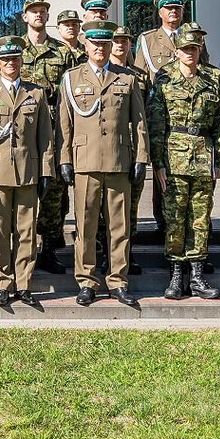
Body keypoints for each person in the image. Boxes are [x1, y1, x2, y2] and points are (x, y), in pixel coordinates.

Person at [57, 21, 147, 307]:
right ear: (85, 46)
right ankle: (86, 281)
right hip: (85, 162)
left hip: (119, 161)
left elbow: (139, 123)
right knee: (85, 226)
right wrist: (64, 159)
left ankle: (118, 281)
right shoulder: (71, 79)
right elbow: (64, 125)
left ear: (111, 46)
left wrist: (141, 157)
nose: (100, 48)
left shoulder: (127, 79)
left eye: (105, 44)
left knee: (118, 227)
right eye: (94, 44)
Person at [0, 36, 54, 306]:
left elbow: (46, 138)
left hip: (28, 171)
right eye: (5, 60)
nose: (11, 64)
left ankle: (24, 283)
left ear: (21, 61)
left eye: (15, 59)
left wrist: (46, 172)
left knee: (27, 232)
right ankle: (3, 282)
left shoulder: (36, 94)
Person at [147, 29, 220, 300]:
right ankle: (176, 276)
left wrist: (219, 159)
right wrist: (158, 164)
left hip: (203, 157)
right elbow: (156, 124)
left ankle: (197, 277)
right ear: (177, 51)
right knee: (175, 219)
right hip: (174, 157)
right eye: (185, 49)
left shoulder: (214, 78)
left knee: (200, 220)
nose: (190, 53)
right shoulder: (165, 79)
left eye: (195, 48)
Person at [19, 0, 77, 274]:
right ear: (25, 17)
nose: (39, 15)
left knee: (54, 193)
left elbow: (71, 93)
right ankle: (22, 251)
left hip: (54, 129)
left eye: (43, 12)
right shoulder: (14, 50)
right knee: (24, 189)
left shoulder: (61, 52)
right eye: (34, 12)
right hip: (23, 131)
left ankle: (49, 249)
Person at [109, 24, 154, 274]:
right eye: (116, 41)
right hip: (111, 147)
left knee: (131, 207)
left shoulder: (139, 75)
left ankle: (129, 252)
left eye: (125, 41)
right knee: (108, 209)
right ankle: (107, 253)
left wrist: (143, 152)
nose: (120, 45)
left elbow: (144, 116)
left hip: (133, 146)